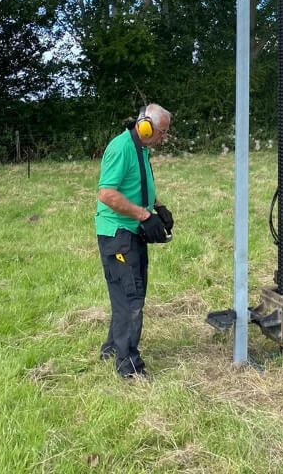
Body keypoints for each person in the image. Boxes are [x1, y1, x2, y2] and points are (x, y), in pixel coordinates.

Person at [95, 102, 174, 379]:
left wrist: (158, 207)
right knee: (131, 297)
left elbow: (138, 184)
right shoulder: (121, 148)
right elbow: (107, 194)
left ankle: (111, 348)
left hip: (132, 231)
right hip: (118, 234)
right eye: (161, 132)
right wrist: (143, 215)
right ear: (145, 125)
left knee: (125, 293)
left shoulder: (141, 148)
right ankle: (128, 364)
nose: (163, 138)